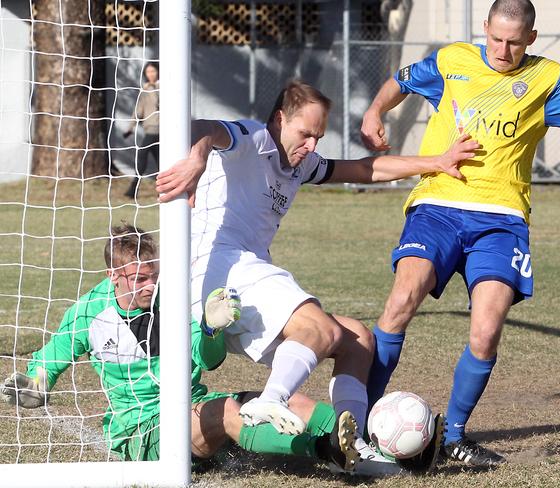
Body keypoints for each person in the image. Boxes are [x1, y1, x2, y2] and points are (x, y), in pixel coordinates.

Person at [359, 0, 560, 467]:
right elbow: (403, 79)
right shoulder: (454, 60)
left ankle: (453, 437)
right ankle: (357, 424)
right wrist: (375, 111)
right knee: (400, 302)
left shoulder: (547, 79)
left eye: (514, 42)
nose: (502, 49)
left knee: (486, 331)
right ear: (485, 29)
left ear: (530, 39)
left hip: (502, 219)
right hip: (438, 205)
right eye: (496, 38)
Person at [156, 79, 478, 475]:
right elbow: (198, 128)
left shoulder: (300, 163)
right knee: (320, 329)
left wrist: (436, 161)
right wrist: (199, 157)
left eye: (318, 136)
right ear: (279, 119)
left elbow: (362, 168)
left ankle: (354, 447)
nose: (312, 145)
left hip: (241, 286)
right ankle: (270, 401)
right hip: (217, 269)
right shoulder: (254, 139)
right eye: (305, 134)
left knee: (357, 338)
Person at [0, 223, 360, 472]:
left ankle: (368, 442)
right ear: (113, 276)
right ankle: (324, 450)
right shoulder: (88, 314)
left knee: (291, 400)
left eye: (154, 275)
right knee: (228, 412)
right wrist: (36, 384)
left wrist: (209, 329)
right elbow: (51, 359)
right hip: (142, 431)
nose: (150, 285)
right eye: (140, 278)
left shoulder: (172, 301)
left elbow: (210, 360)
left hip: (192, 407)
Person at [123, 62, 160, 198]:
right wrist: (130, 128)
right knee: (149, 159)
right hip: (150, 129)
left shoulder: (163, 87)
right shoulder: (145, 90)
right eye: (148, 72)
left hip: (161, 131)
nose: (151, 74)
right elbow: (138, 110)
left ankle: (134, 190)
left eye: (153, 71)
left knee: (149, 158)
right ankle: (134, 190)